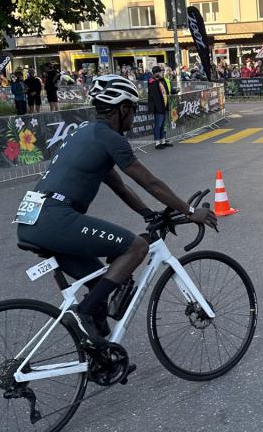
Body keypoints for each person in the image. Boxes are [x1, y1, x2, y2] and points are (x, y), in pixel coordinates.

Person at [15, 74, 216, 348]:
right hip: (53, 217)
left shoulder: (86, 132)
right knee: (135, 248)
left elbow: (119, 186)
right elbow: (150, 182)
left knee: (102, 283)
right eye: (133, 109)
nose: (134, 116)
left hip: (33, 218)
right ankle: (83, 314)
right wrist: (190, 210)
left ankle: (98, 355)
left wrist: (149, 214)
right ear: (121, 109)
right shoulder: (110, 138)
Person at [148, 65, 172, 150]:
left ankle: (163, 141)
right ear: (156, 73)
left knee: (163, 125)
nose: (161, 73)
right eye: (160, 72)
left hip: (164, 106)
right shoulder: (152, 82)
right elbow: (155, 97)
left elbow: (166, 91)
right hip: (158, 108)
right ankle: (157, 143)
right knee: (158, 125)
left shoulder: (162, 80)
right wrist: (159, 108)